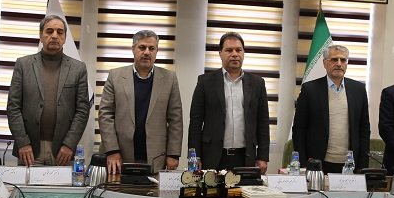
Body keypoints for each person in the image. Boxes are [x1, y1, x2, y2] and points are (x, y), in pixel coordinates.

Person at [7, 14, 89, 166]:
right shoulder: (23, 65)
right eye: (49, 31)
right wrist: (23, 142)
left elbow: (82, 110)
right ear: (41, 35)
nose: (55, 36)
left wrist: (69, 144)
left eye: (60, 32)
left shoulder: (78, 69)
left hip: (63, 153)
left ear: (65, 37)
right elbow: (13, 107)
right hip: (29, 151)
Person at [98, 30, 183, 175]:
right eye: (142, 47)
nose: (147, 52)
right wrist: (112, 150)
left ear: (157, 51)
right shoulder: (115, 76)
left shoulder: (170, 79)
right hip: (119, 155)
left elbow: (176, 119)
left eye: (152, 48)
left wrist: (173, 154)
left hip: (157, 157)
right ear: (133, 49)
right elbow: (105, 115)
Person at [188, 32, 270, 172]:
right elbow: (196, 122)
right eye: (229, 50)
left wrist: (262, 156)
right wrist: (194, 157)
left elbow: (263, 122)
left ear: (243, 53)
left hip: (245, 157)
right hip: (212, 157)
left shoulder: (257, 83)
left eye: (238, 50)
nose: (234, 54)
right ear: (220, 53)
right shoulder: (205, 82)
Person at [292, 44, 370, 173]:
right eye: (334, 60)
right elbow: (299, 129)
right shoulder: (310, 89)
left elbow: (364, 129)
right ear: (324, 63)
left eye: (343, 60)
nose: (339, 64)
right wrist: (303, 163)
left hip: (350, 164)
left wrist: (362, 164)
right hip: (318, 162)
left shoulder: (359, 89)